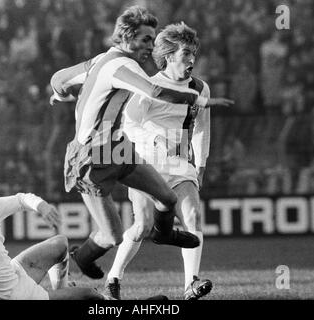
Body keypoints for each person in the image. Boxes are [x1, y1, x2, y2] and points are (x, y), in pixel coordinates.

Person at [49, 6, 210, 280]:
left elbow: (59, 78)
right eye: (146, 39)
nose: (151, 46)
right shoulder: (121, 65)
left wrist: (60, 93)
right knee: (112, 235)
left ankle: (163, 234)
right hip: (91, 155)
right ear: (126, 36)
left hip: (118, 147)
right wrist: (196, 98)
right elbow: (154, 90)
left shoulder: (100, 60)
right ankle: (79, 257)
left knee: (168, 198)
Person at [104, 22, 233, 300]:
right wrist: (154, 141)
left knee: (193, 218)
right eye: (186, 53)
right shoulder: (150, 87)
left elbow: (201, 129)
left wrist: (200, 166)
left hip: (180, 167)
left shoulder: (200, 88)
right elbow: (130, 125)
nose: (192, 59)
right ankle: (113, 277)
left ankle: (191, 284)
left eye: (193, 53)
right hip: (145, 166)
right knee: (142, 227)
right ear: (169, 56)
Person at [0, 172, 106, 300]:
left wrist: (42, 206)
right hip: (15, 295)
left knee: (60, 242)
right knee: (89, 294)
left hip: (12, 274)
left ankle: (61, 290)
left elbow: (20, 200)